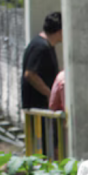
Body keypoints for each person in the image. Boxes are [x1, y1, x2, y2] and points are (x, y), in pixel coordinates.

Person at [22, 12, 63, 157]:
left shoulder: (44, 45)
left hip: (43, 109)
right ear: (60, 31)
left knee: (52, 146)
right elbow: (30, 74)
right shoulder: (41, 47)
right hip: (40, 108)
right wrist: (50, 94)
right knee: (50, 149)